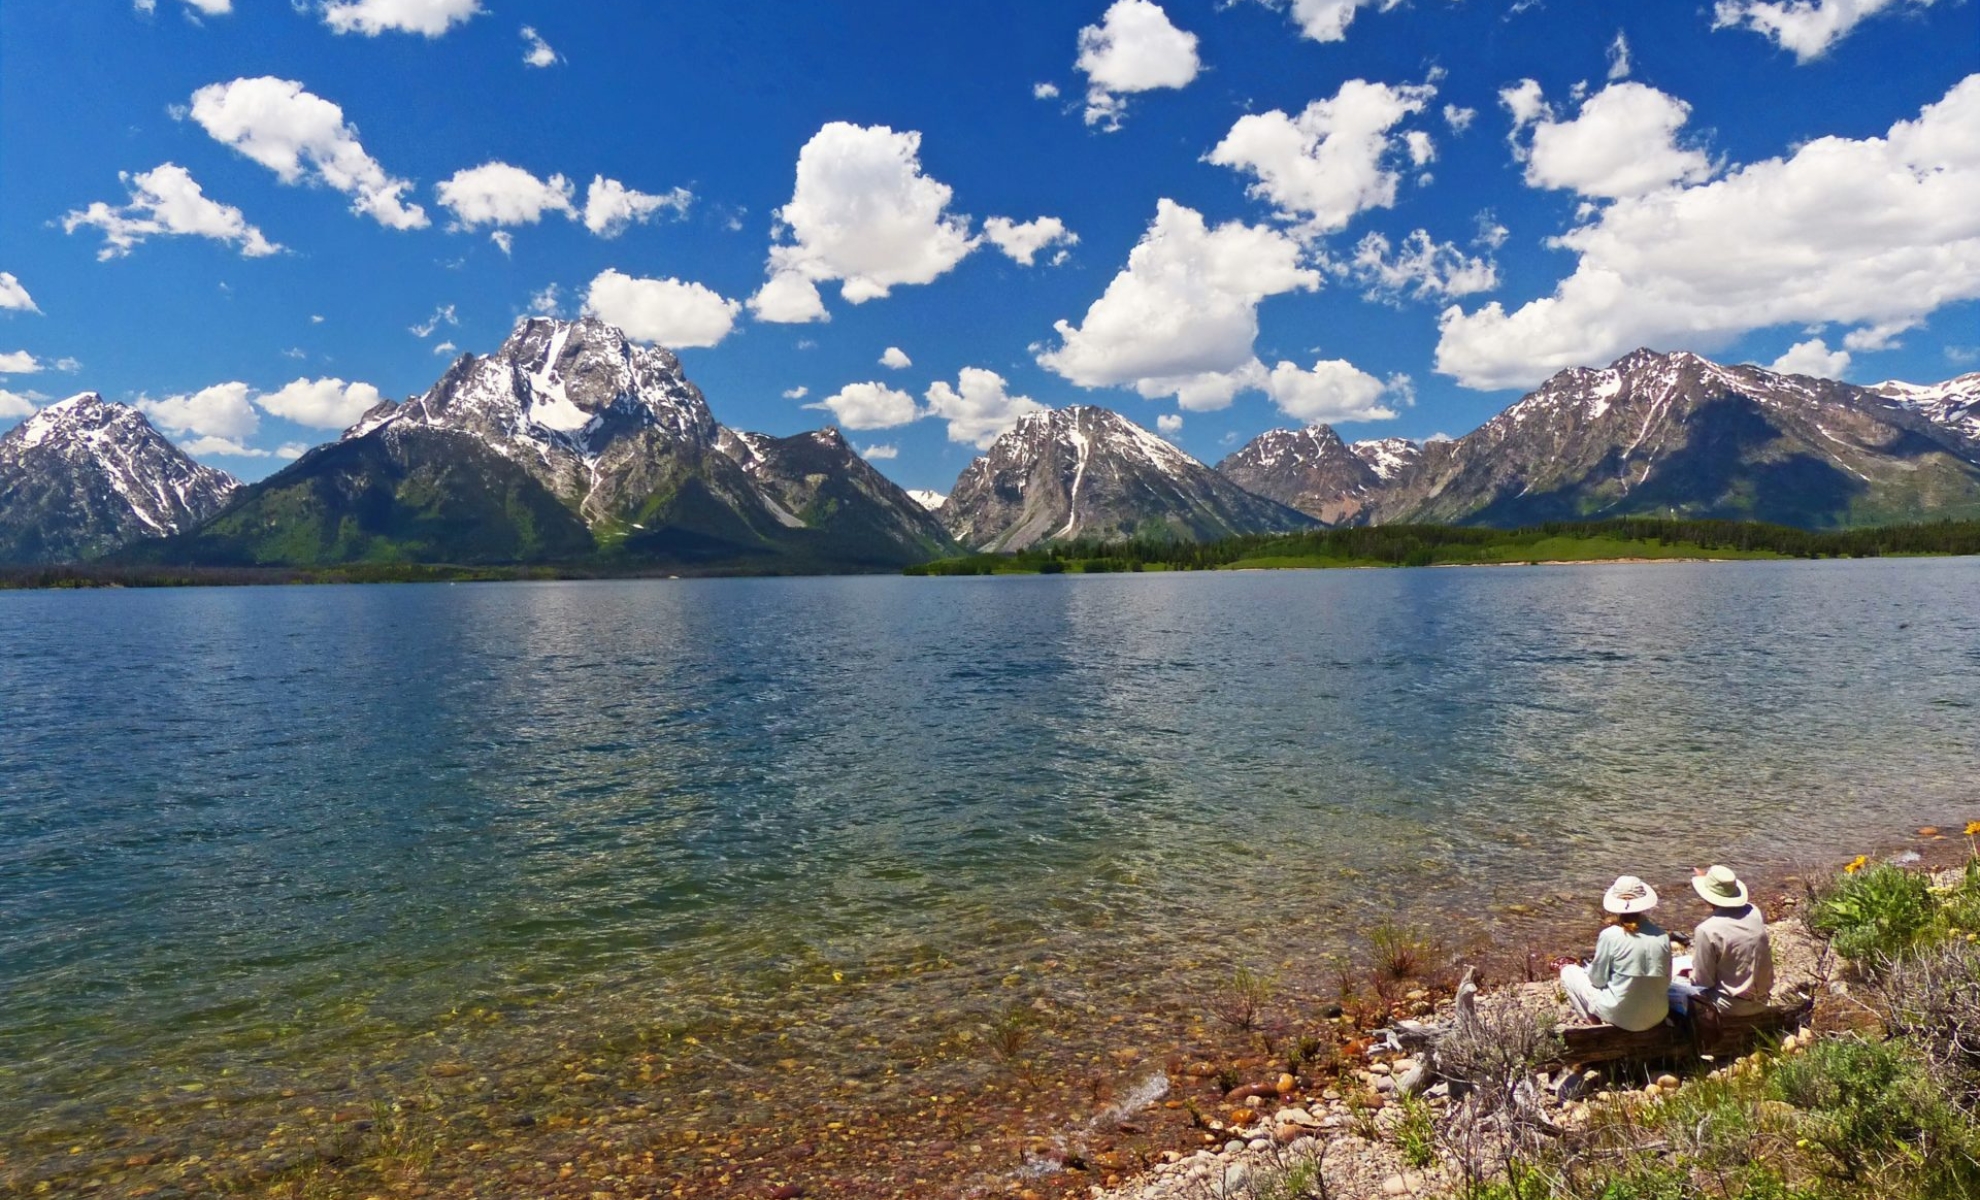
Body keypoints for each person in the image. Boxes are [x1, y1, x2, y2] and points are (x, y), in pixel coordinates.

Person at [1560, 875, 1673, 1031]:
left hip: (1620, 1015)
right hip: (1657, 1014)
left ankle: (1594, 1026)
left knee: (1568, 972)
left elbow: (1597, 980)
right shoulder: (1662, 936)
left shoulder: (1610, 935)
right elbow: (1665, 982)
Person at [1673, 864, 1774, 1016]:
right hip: (1762, 1000)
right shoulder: (1754, 912)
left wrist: (1689, 974)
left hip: (1730, 1005)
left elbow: (1703, 982)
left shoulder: (1707, 930)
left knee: (1673, 984)